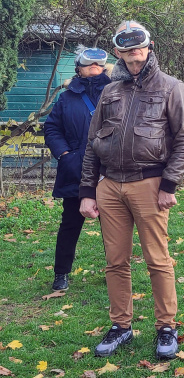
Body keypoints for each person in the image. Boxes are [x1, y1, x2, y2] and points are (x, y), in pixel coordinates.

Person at [79, 20, 184, 360]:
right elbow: (92, 145)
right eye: (125, 44)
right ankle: (121, 325)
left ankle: (166, 327)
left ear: (150, 46)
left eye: (139, 43)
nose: (133, 50)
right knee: (115, 262)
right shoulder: (109, 92)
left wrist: (169, 183)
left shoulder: (171, 88)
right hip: (110, 186)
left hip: (150, 184)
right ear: (117, 51)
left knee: (157, 259)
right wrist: (88, 191)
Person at [43, 47, 112, 292]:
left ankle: (116, 272)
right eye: (88, 64)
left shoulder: (115, 91)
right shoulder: (67, 97)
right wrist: (65, 155)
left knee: (113, 227)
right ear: (79, 68)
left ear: (104, 67)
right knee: (70, 225)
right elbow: (51, 129)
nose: (94, 67)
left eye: (98, 64)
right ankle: (61, 274)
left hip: (109, 173)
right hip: (76, 171)